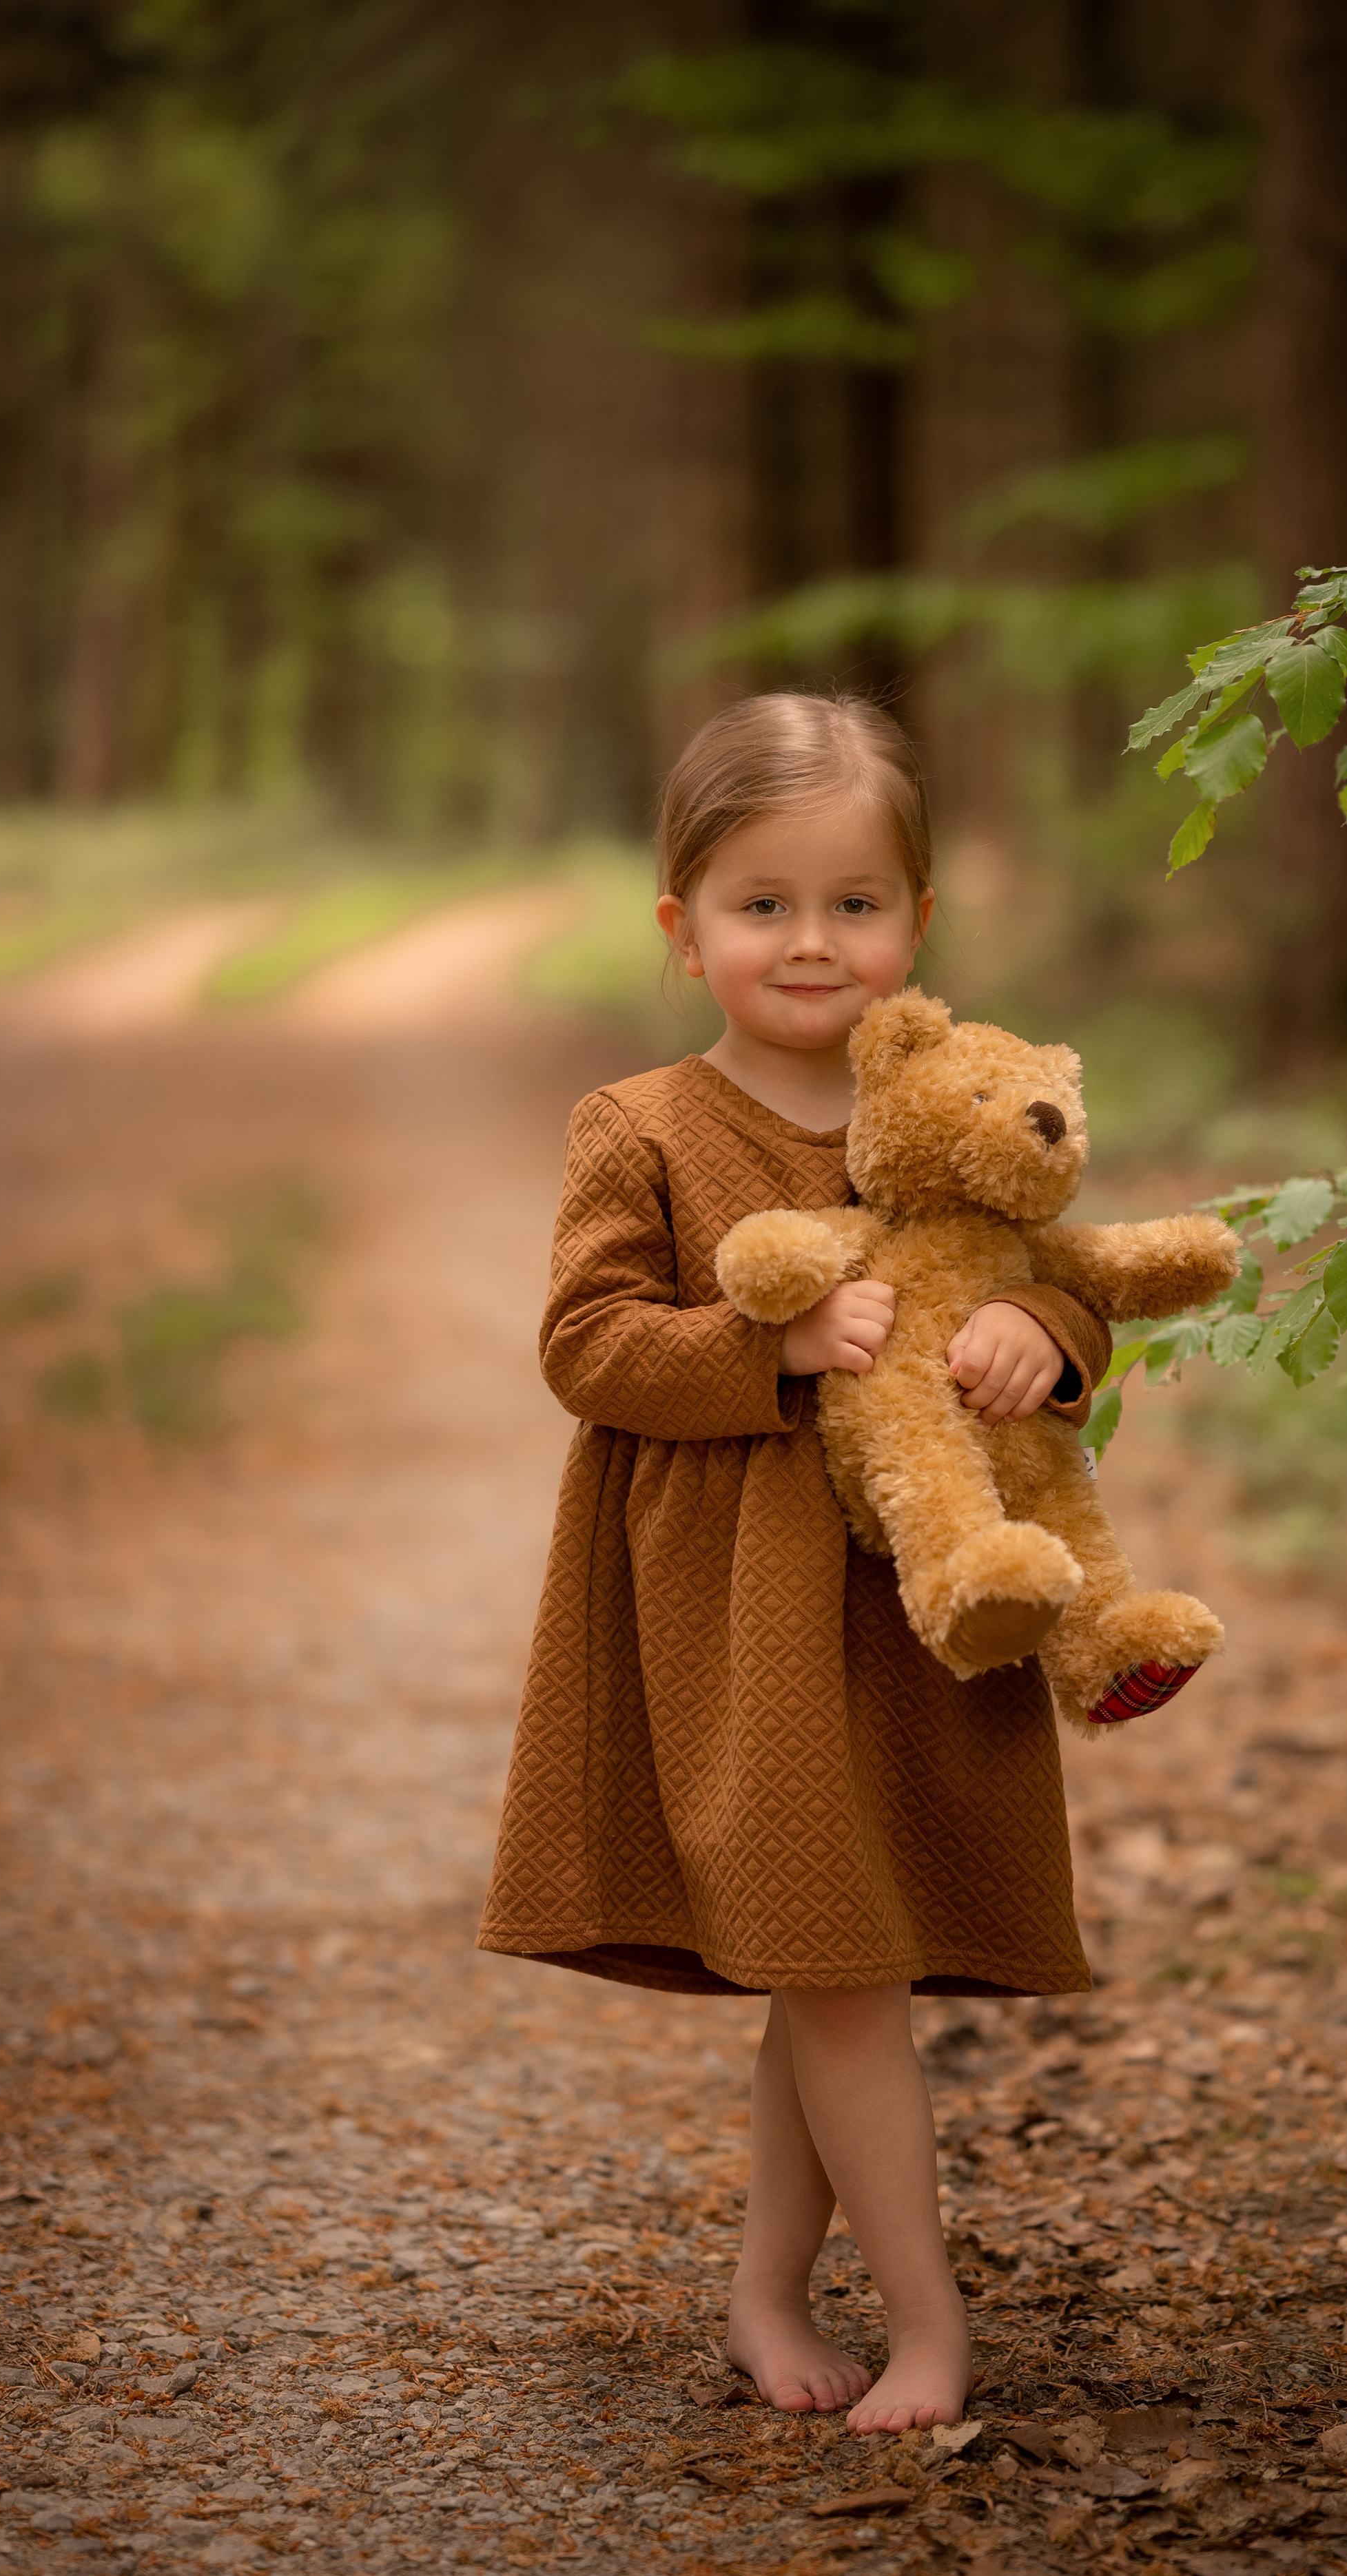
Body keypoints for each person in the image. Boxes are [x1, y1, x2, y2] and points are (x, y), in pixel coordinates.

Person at [477, 693, 1111, 2433]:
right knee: (835, 1969)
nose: (812, 940)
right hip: (739, 1618)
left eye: (854, 902)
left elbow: (1065, 1278)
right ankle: (925, 2325)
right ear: (684, 930)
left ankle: (765, 2292)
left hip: (910, 1616)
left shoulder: (962, 1111)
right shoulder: (640, 1127)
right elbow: (586, 1342)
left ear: (920, 921)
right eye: (762, 904)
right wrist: (768, 1347)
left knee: (846, 1961)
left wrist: (1043, 1339)